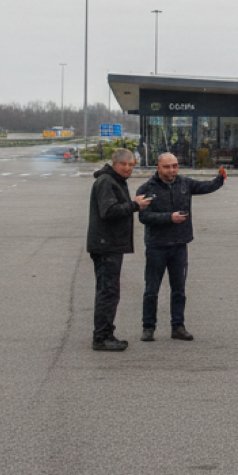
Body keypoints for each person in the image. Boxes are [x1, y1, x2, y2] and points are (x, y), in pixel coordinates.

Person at [136, 151, 225, 341]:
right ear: (158, 167)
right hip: (156, 246)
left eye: (175, 166)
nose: (172, 170)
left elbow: (205, 187)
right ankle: (148, 327)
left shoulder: (184, 183)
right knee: (152, 289)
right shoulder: (146, 188)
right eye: (167, 167)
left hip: (179, 244)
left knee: (179, 289)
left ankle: (178, 326)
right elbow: (143, 216)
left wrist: (219, 179)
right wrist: (170, 218)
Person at [86, 147, 153, 351]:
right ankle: (101, 337)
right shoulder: (106, 181)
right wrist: (135, 205)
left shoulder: (114, 180)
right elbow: (109, 211)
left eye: (130, 165)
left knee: (108, 291)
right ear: (114, 164)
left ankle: (105, 332)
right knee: (108, 292)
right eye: (123, 164)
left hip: (109, 244)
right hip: (106, 245)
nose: (127, 168)